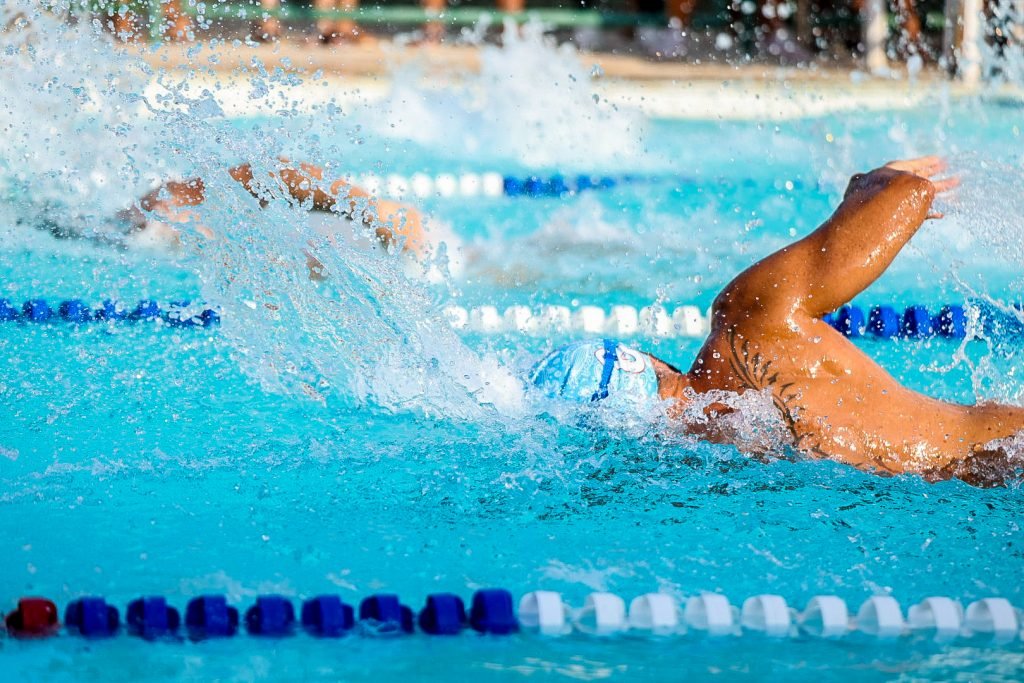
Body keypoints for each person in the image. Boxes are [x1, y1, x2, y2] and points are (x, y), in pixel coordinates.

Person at [531, 156, 1024, 487]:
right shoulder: (743, 329)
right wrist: (870, 187)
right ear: (655, 363)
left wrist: (878, 190)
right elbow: (905, 192)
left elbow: (910, 195)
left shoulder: (709, 458)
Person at [122, 159, 440, 279]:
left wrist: (367, 211)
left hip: (389, 228)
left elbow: (274, 172)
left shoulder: (182, 200)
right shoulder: (154, 224)